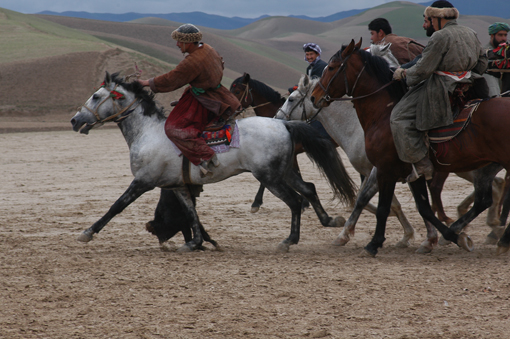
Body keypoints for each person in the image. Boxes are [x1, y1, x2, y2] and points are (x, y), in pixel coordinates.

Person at [390, 1, 488, 182]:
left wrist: (403, 73)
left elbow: (423, 70)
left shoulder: (439, 37)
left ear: (437, 18)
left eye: (430, 19)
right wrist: (464, 73)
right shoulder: (471, 32)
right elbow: (482, 64)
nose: (429, 23)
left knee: (398, 118)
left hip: (442, 86)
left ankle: (422, 164)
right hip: (471, 83)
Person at [138, 24, 241, 176]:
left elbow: (172, 79)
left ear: (188, 42)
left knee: (173, 128)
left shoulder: (193, 61)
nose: (177, 44)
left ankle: (206, 156)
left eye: (180, 41)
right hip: (217, 92)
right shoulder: (208, 49)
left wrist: (147, 83)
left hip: (203, 98)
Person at [484, 22, 510, 96]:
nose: (503, 38)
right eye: (500, 35)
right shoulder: (484, 51)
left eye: (505, 35)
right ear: (492, 36)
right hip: (492, 86)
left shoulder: (507, 51)